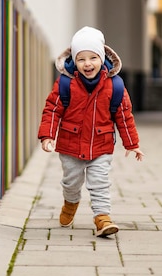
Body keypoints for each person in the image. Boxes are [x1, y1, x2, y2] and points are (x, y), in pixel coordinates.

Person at [38, 26, 144, 237]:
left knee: (100, 183)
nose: (88, 64)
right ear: (74, 61)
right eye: (81, 59)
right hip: (70, 145)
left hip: (101, 145)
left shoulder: (115, 86)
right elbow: (52, 109)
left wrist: (132, 144)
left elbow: (124, 116)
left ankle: (102, 218)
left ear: (102, 57)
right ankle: (70, 202)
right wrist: (47, 135)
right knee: (71, 182)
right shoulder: (65, 84)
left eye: (93, 58)